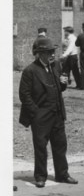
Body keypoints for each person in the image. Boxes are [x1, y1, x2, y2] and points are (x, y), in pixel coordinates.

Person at [18, 37, 78, 188]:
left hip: (57, 114)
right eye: (48, 52)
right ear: (39, 54)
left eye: (53, 51)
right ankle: (40, 176)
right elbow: (24, 95)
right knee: (40, 148)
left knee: (60, 146)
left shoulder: (56, 66)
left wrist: (63, 83)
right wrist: (36, 113)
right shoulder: (29, 71)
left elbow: (60, 89)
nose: (52, 54)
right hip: (41, 116)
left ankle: (62, 174)